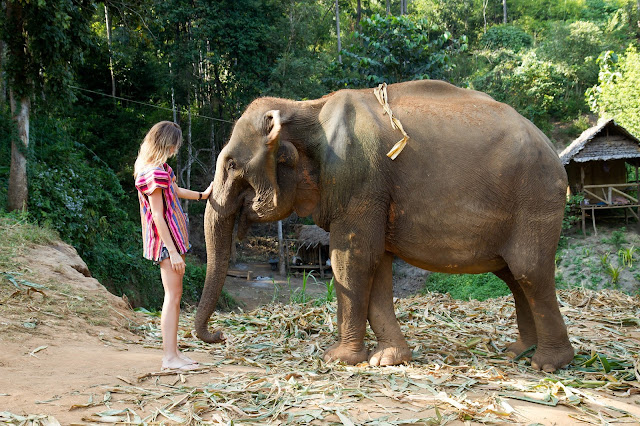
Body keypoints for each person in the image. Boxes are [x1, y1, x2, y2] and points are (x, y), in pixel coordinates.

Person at [133, 121, 214, 371]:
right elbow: (157, 215)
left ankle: (174, 352)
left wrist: (203, 195)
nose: (175, 150)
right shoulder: (153, 173)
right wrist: (174, 252)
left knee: (175, 297)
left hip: (173, 240)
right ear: (166, 144)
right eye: (174, 145)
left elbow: (175, 191)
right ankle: (169, 358)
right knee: (172, 297)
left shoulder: (161, 169)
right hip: (166, 243)